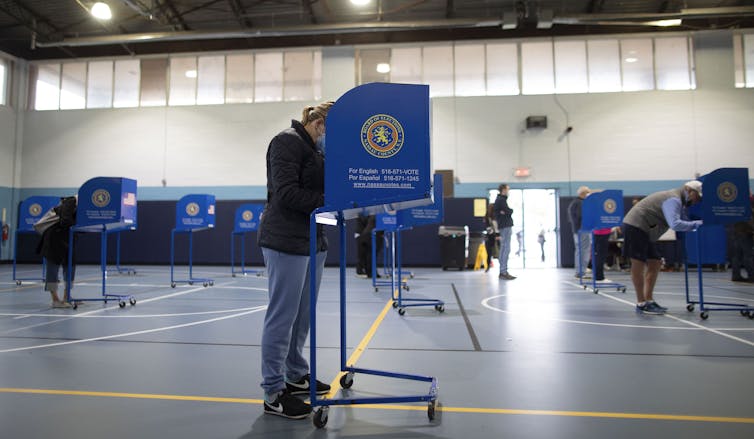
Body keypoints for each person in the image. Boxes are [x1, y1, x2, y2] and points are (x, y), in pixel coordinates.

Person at [257, 101, 334, 419]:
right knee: (282, 317)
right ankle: (273, 391)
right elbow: (286, 192)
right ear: (318, 125)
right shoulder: (286, 141)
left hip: (313, 239)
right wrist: (328, 200)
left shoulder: (319, 151)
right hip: (285, 239)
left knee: (303, 316)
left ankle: (295, 374)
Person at [623, 181, 703, 315]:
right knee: (638, 263)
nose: (697, 201)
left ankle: (649, 300)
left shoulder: (680, 202)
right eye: (698, 197)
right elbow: (675, 224)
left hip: (645, 229)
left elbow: (684, 220)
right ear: (689, 190)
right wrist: (699, 224)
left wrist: (696, 223)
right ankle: (641, 302)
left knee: (655, 262)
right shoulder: (674, 200)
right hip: (636, 226)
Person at [36, 196, 77, 308]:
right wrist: (79, 224)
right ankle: (55, 299)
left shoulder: (83, 205)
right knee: (53, 266)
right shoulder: (72, 201)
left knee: (71, 266)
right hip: (55, 236)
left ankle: (67, 296)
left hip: (68, 237)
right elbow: (65, 221)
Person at [727, 196, 754, 282]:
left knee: (737, 255)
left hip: (736, 230)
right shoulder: (748, 204)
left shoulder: (736, 202)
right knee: (748, 255)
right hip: (745, 231)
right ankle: (752, 275)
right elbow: (749, 220)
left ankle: (736, 275)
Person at [568, 186, 592, 279]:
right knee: (584, 251)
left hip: (577, 230)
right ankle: (581, 272)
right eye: (588, 193)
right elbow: (583, 217)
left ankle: (579, 272)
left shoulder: (574, 203)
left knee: (579, 250)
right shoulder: (581, 203)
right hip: (583, 230)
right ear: (584, 193)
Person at [493, 184, 515, 280]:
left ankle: (503, 271)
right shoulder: (501, 200)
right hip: (505, 226)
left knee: (504, 247)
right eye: (507, 189)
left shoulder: (501, 200)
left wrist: (507, 211)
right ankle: (503, 271)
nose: (508, 191)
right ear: (503, 190)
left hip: (504, 226)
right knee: (506, 248)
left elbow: (507, 211)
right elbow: (509, 211)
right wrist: (508, 211)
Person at [355, 213, 382, 278]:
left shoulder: (373, 216)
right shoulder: (378, 216)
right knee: (370, 255)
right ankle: (370, 273)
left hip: (365, 235)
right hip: (370, 236)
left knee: (368, 255)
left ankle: (370, 272)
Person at [484, 204, 499, 272]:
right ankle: (501, 268)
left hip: (491, 237)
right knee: (493, 252)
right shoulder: (489, 218)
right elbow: (490, 229)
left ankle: (501, 268)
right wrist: (496, 235)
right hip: (492, 237)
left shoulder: (492, 217)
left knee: (491, 253)